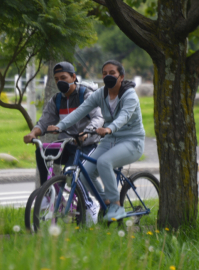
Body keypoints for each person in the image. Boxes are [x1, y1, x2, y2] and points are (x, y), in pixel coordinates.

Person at [47, 60, 145, 221]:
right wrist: (60, 126)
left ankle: (116, 205)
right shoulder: (101, 94)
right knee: (85, 174)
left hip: (132, 141)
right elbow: (81, 111)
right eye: (104, 74)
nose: (108, 76)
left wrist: (108, 128)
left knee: (104, 162)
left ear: (121, 76)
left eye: (112, 73)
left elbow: (124, 116)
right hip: (110, 140)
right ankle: (105, 202)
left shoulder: (129, 95)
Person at [23, 61, 104, 223]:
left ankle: (89, 204)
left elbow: (98, 117)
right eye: (56, 78)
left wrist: (86, 132)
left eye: (64, 77)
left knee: (70, 171)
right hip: (66, 144)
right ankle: (47, 193)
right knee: (42, 151)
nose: (60, 81)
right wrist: (33, 134)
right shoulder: (56, 100)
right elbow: (44, 123)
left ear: (73, 77)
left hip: (86, 145)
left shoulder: (86, 95)